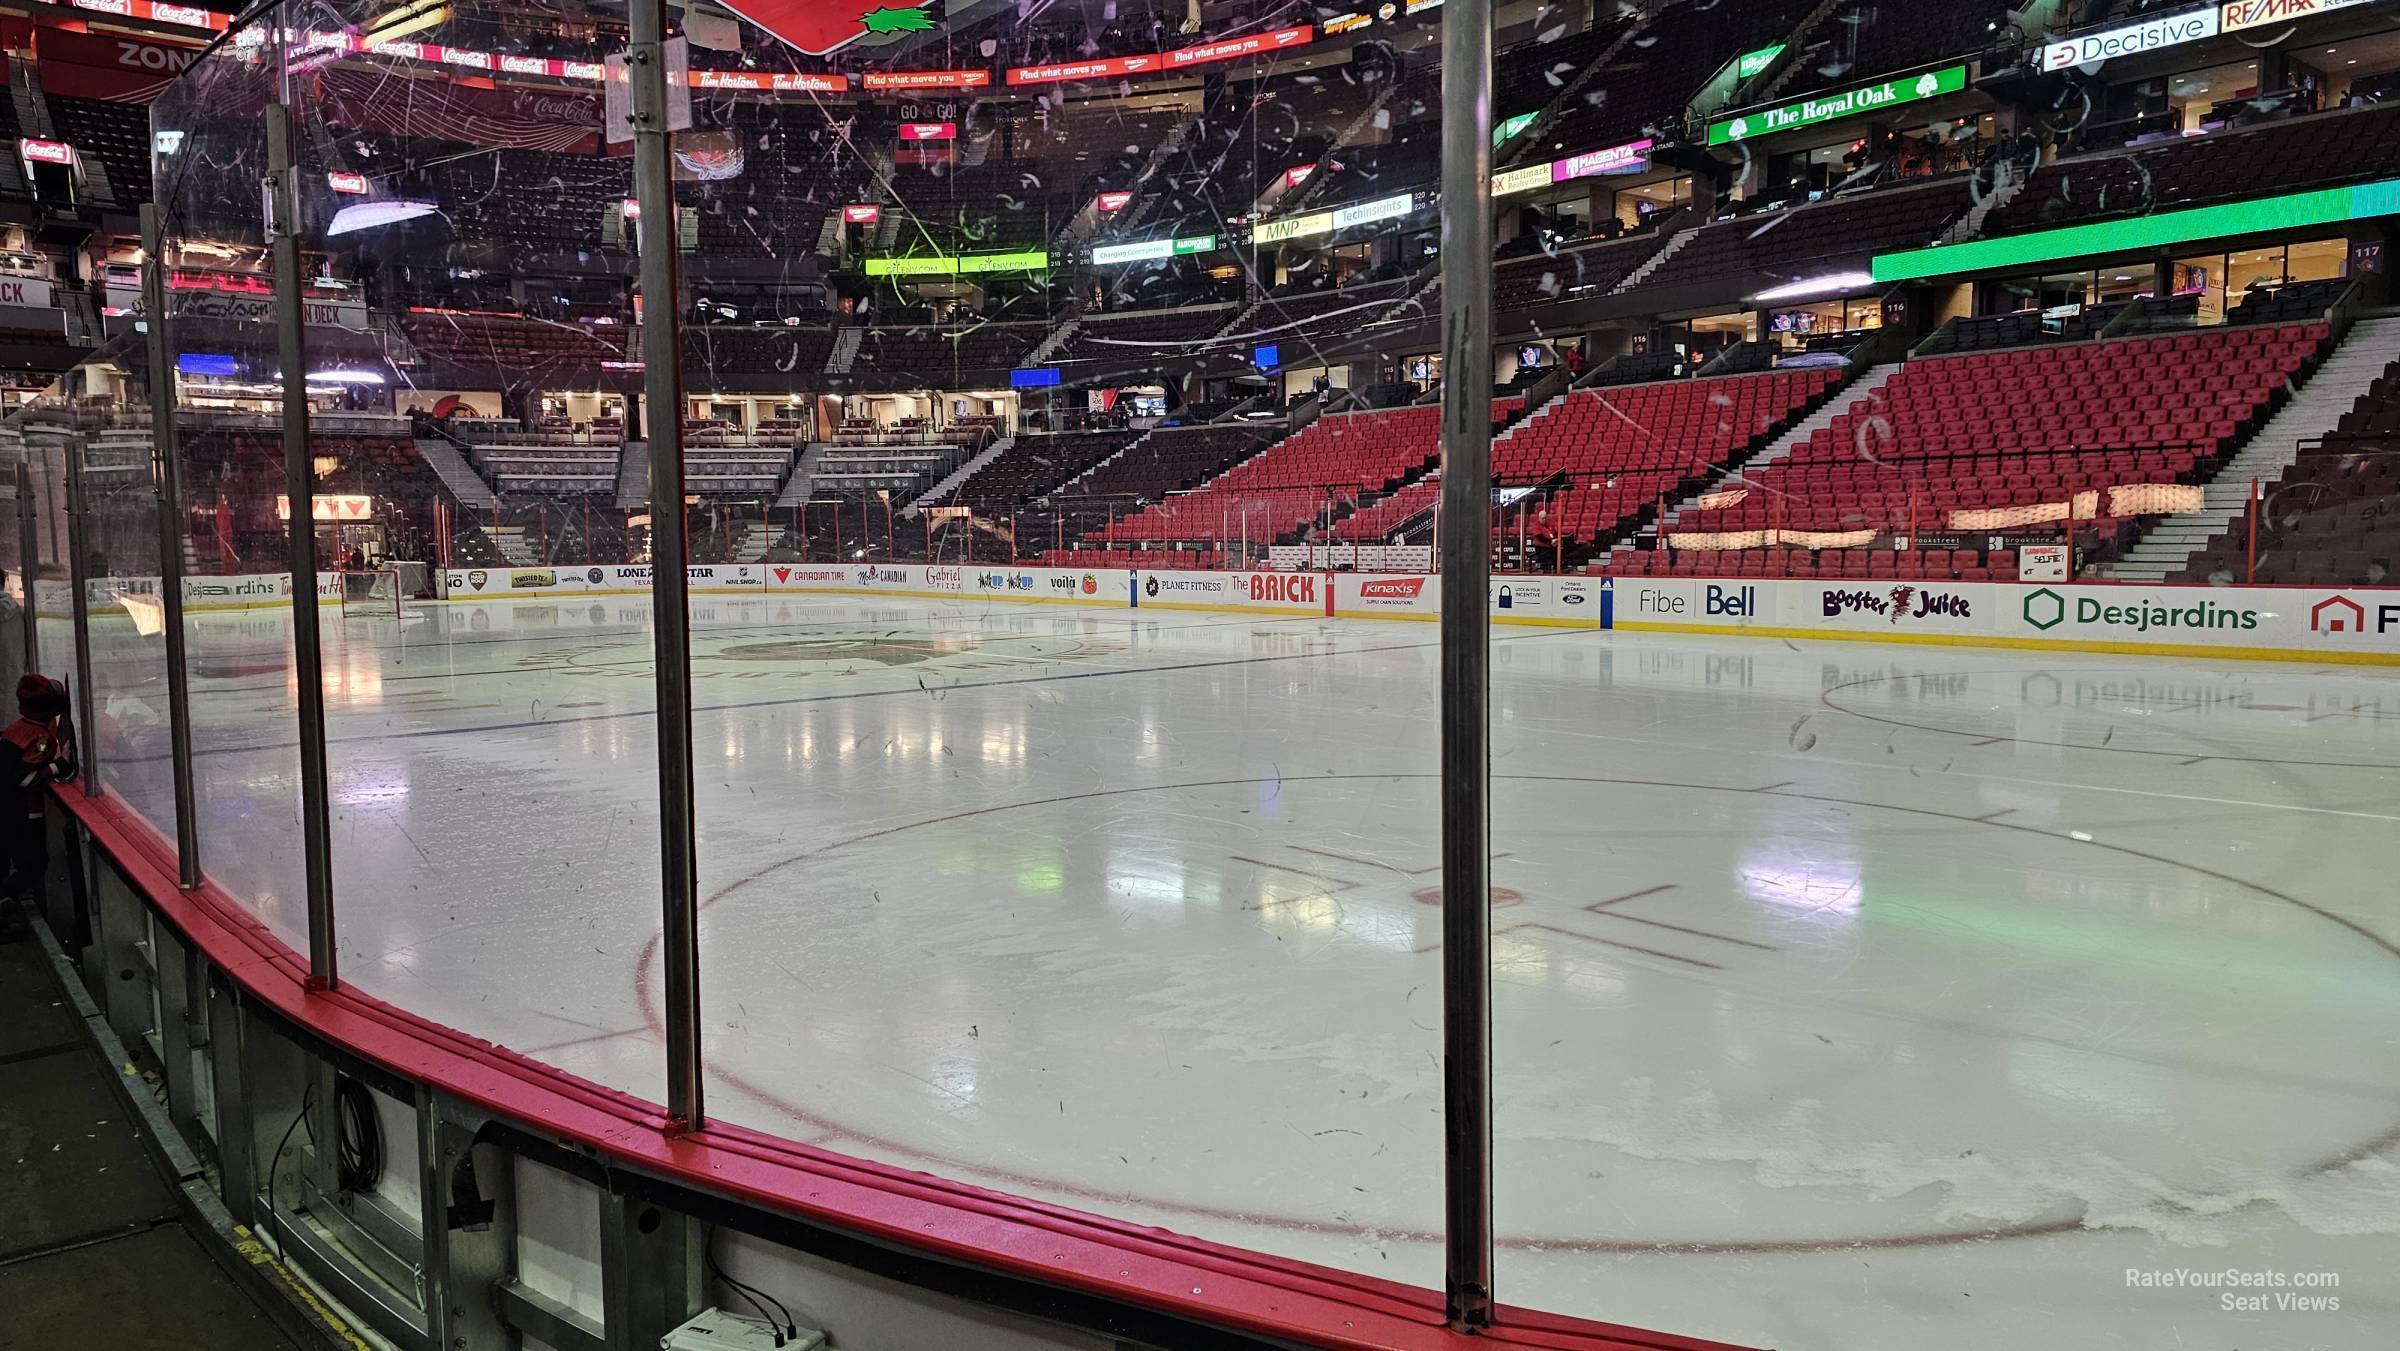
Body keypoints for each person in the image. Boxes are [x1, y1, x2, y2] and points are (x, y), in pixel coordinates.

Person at [0, 673, 75, 933]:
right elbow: (24, 779)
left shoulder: (16, 729)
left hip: (9, 811)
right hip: (19, 813)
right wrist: (60, 765)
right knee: (34, 864)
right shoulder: (40, 739)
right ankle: (4, 897)